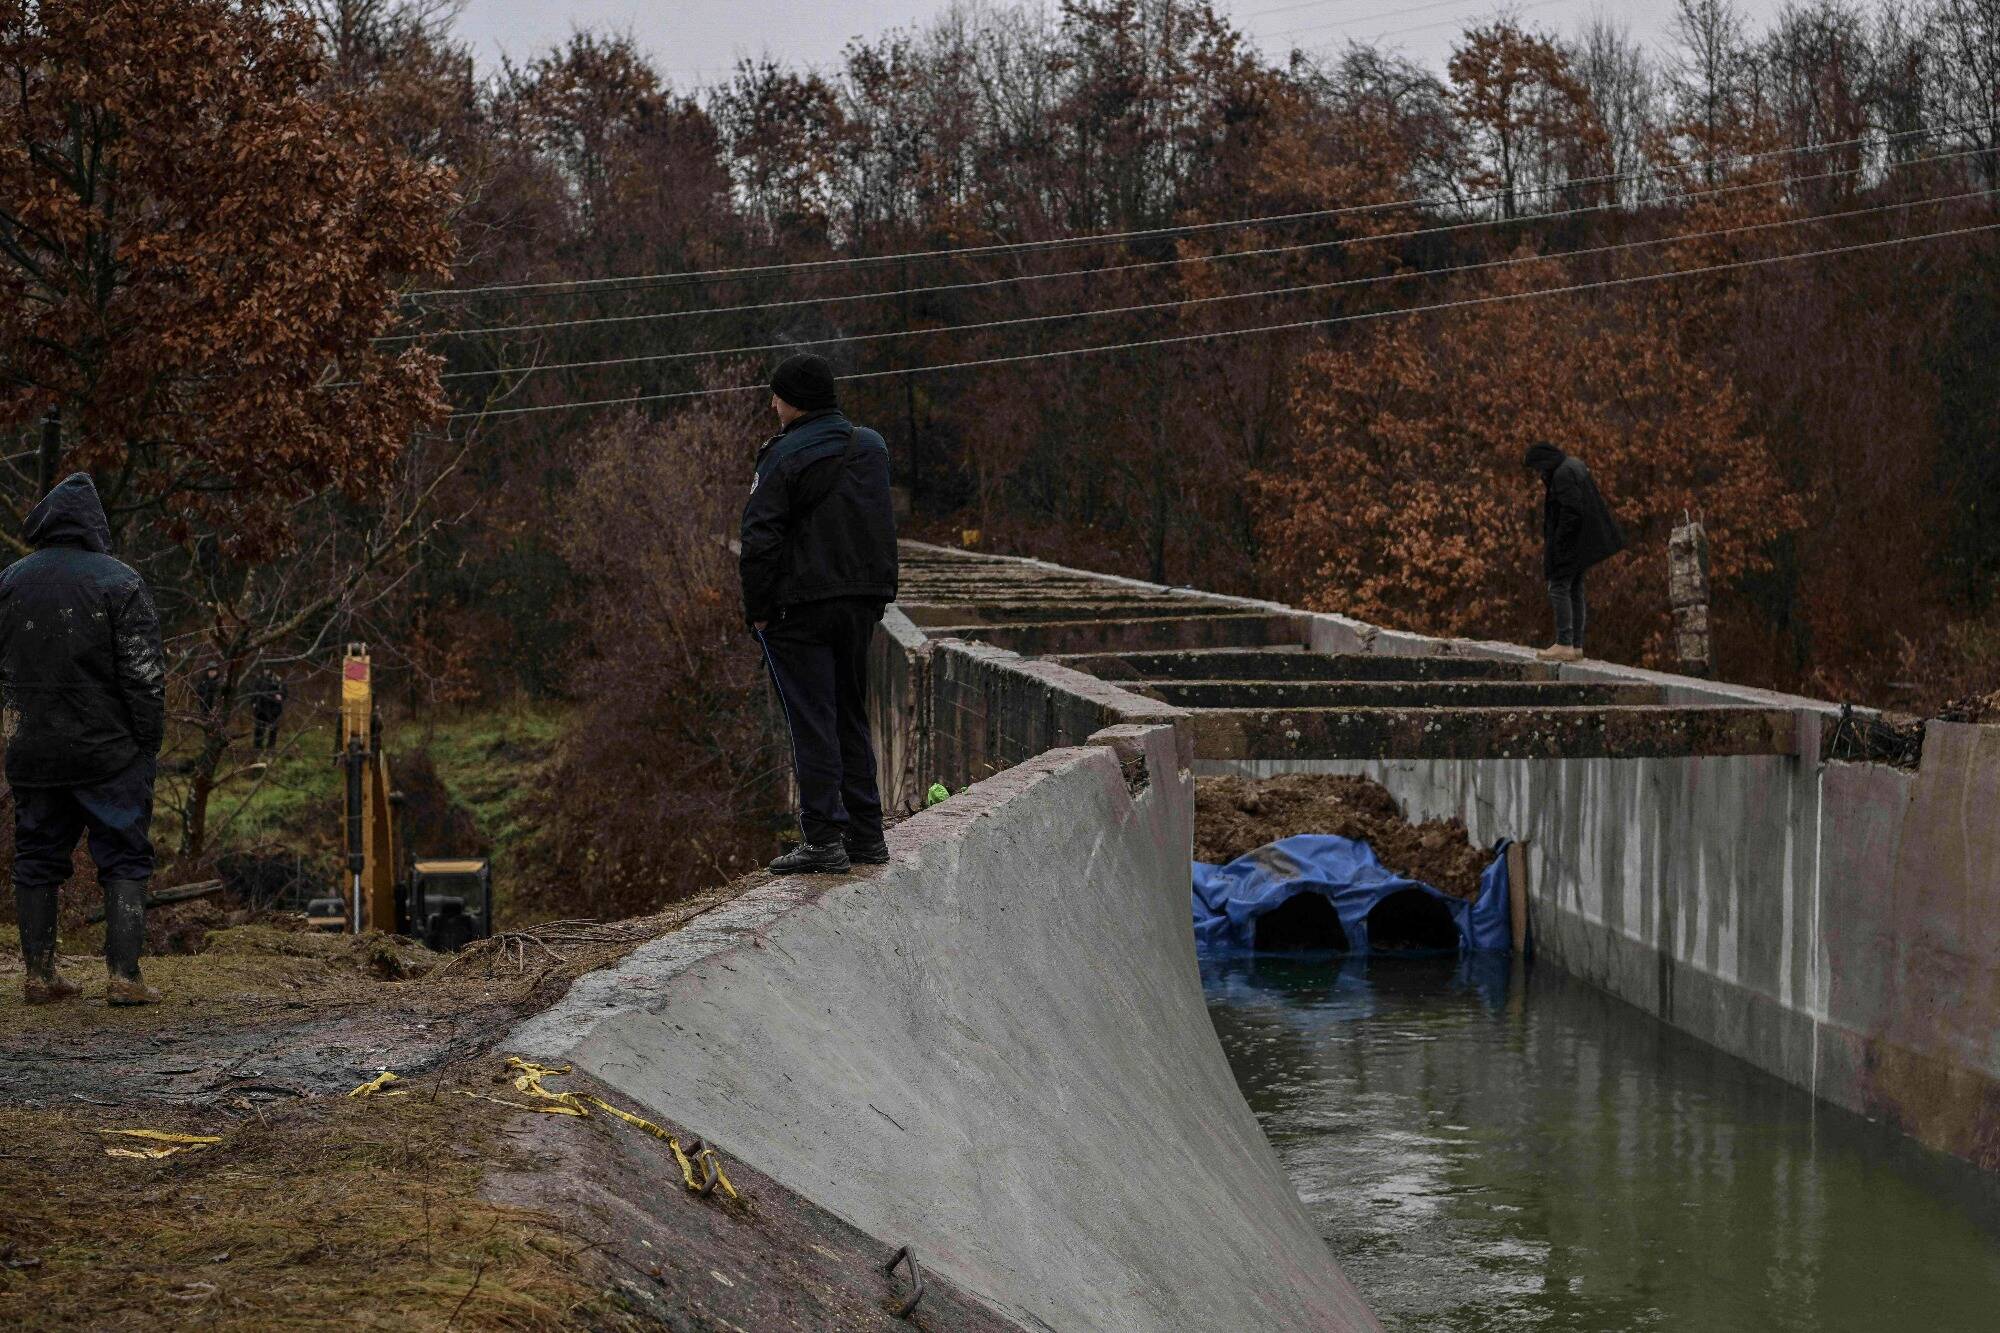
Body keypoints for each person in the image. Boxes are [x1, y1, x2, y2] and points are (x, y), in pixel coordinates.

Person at [0, 473, 166, 1005]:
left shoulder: (9, 582)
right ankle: (124, 977)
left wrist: (13, 734)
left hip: (32, 752)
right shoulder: (120, 582)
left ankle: (40, 974)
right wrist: (146, 743)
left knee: (36, 856)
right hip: (108, 752)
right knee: (123, 857)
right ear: (94, 525)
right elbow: (143, 677)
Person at [740, 353, 898, 875]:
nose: (772, 404)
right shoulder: (870, 448)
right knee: (850, 714)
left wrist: (759, 613)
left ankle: (823, 837)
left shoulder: (783, 457)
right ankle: (868, 836)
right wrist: (877, 596)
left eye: (777, 396)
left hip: (797, 611)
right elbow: (880, 526)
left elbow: (759, 540)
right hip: (858, 606)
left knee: (812, 720)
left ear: (795, 400)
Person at [1523, 442, 1625, 662]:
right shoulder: (1572, 465)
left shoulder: (1561, 475)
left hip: (1572, 542)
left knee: (1558, 588)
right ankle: (1576, 644)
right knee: (1575, 588)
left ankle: (1565, 642)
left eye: (1538, 468)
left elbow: (1571, 511)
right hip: (1585, 542)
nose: (1538, 473)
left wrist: (1559, 542)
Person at [248, 664, 287, 750]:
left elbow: (284, 692)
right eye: (265, 669)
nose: (266, 671)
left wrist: (280, 696)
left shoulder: (277, 679)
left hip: (274, 709)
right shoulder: (259, 679)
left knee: (273, 729)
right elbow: (253, 692)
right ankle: (257, 747)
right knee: (259, 729)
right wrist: (253, 702)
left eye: (268, 669)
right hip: (260, 708)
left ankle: (271, 747)